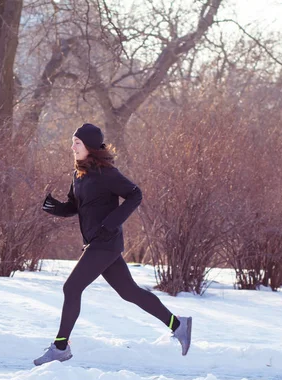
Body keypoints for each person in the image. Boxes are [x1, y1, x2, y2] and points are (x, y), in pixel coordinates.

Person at [33, 123, 192, 366]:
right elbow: (75, 206)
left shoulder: (106, 173)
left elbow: (135, 194)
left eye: (77, 143)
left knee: (71, 288)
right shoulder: (78, 174)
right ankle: (178, 325)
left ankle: (60, 347)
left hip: (104, 244)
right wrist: (55, 207)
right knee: (129, 292)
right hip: (98, 244)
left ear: (90, 147)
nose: (72, 147)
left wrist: (112, 222)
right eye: (73, 142)